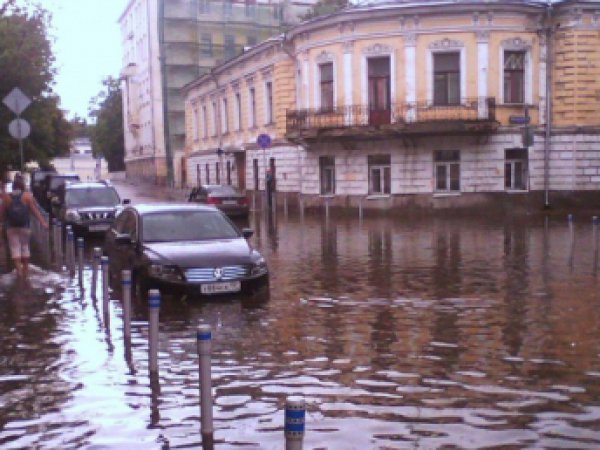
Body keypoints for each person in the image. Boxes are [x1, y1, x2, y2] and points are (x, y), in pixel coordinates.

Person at [0, 174, 48, 281]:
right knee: (25, 247)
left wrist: (2, 224)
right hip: (24, 226)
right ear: (22, 187)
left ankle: (19, 272)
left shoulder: (7, 198)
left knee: (15, 248)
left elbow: (1, 215)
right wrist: (43, 222)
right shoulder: (27, 196)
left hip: (11, 228)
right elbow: (35, 211)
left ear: (13, 187)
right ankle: (26, 269)